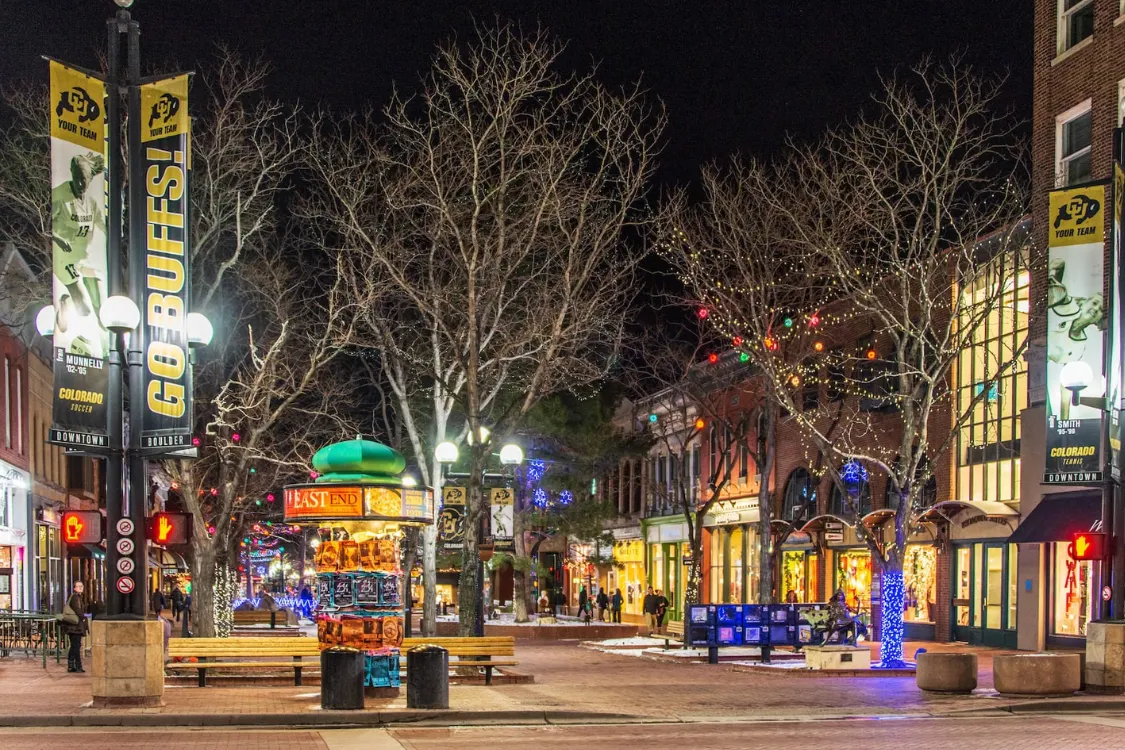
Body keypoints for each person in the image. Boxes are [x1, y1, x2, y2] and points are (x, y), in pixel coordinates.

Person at [61, 581, 88, 673]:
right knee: (76, 646)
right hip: (75, 627)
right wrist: (83, 618)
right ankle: (77, 665)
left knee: (74, 646)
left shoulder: (76, 597)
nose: (81, 587)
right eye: (78, 586)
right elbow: (77, 610)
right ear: (74, 588)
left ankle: (71, 665)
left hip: (74, 626)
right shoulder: (75, 597)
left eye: (82, 586)